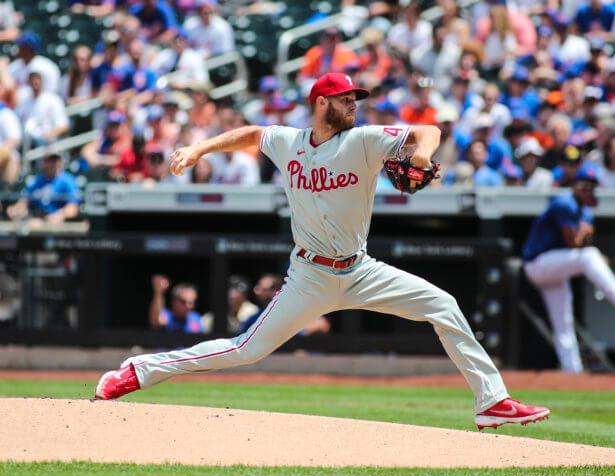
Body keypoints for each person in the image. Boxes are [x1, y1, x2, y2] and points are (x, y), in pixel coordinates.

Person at [95, 71, 550, 430]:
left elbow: (426, 130)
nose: (355, 105)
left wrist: (424, 157)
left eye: (356, 100)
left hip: (361, 269)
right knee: (245, 349)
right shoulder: (289, 142)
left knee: (443, 305)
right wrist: (200, 148)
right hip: (309, 277)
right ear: (322, 103)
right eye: (347, 99)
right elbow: (253, 134)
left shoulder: (364, 140)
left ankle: (491, 401)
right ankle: (139, 370)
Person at [522, 166, 615, 373]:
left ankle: (572, 371)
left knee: (563, 321)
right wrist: (587, 238)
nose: (588, 191)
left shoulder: (586, 211)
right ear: (574, 186)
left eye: (592, 187)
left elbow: (581, 245)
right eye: (584, 187)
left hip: (556, 268)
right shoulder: (564, 202)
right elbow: (574, 244)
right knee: (588, 256)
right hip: (537, 264)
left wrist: (590, 243)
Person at [6, 150, 80, 224]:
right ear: (43, 163)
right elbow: (25, 200)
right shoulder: (38, 180)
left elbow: (73, 207)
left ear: (60, 162)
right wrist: (16, 209)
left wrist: (61, 215)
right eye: (49, 161)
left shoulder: (67, 180)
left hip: (57, 224)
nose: (53, 163)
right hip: (37, 220)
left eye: (55, 160)